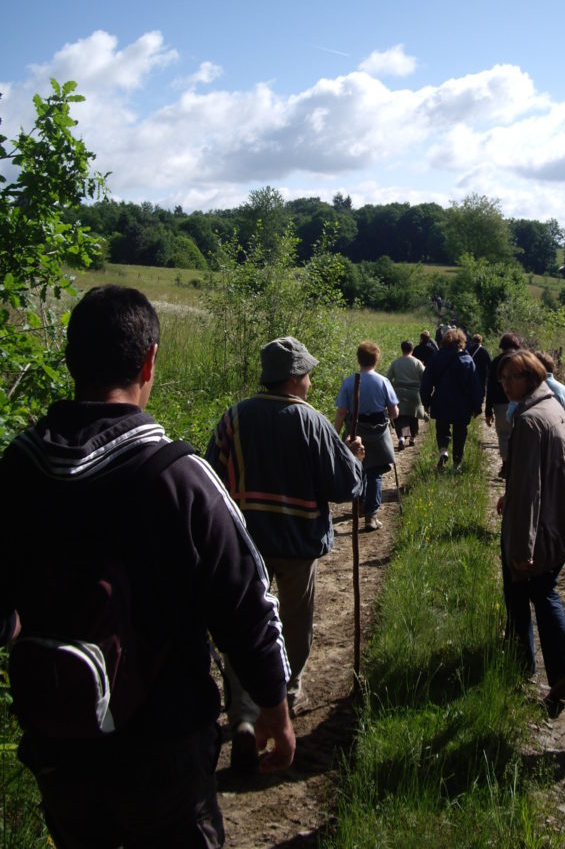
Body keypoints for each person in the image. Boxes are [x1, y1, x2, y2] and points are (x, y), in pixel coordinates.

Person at [0, 285, 295, 849]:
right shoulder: (177, 476)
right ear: (150, 360)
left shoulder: (19, 468)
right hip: (163, 748)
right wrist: (274, 710)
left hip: (58, 743)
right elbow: (247, 607)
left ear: (70, 359)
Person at [207, 336, 365, 765]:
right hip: (297, 543)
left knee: (245, 627)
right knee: (295, 623)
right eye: (308, 374)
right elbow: (345, 486)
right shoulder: (312, 422)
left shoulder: (233, 418)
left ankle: (243, 713)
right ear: (295, 378)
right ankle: (284, 694)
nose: (311, 381)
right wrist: (352, 457)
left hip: (245, 543)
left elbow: (212, 480)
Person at [496, 350, 565, 716]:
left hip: (540, 524)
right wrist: (509, 492)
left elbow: (532, 488)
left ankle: (554, 670)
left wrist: (523, 545)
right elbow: (538, 474)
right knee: (531, 591)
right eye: (502, 379)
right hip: (557, 519)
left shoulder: (530, 420)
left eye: (510, 378)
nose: (504, 385)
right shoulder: (552, 406)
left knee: (533, 590)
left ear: (529, 378)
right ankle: (527, 668)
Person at [334, 342, 398, 531]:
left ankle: (360, 505)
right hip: (378, 434)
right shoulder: (383, 381)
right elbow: (394, 413)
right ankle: (371, 516)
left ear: (358, 359)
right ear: (377, 359)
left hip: (356, 432)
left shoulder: (349, 382)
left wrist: (335, 434)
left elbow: (342, 412)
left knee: (358, 470)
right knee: (375, 473)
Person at [420, 327, 483, 472]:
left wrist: (426, 401)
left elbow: (427, 381)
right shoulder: (467, 360)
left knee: (442, 428)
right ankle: (456, 463)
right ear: (462, 342)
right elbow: (475, 386)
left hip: (441, 400)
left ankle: (443, 450)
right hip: (462, 404)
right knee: (460, 432)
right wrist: (477, 406)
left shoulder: (436, 358)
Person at [485, 332, 523, 478]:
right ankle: (517, 465)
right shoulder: (522, 361)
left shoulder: (496, 362)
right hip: (520, 403)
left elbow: (491, 387)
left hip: (500, 404)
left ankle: (506, 464)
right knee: (519, 435)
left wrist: (488, 411)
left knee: (503, 434)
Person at [386, 340, 426, 449]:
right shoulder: (418, 363)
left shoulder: (395, 363)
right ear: (412, 350)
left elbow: (388, 379)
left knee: (400, 416)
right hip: (415, 394)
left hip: (399, 393)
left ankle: (401, 438)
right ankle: (413, 437)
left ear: (402, 349)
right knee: (413, 416)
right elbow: (425, 378)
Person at [468, 333, 492, 397]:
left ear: (473, 341)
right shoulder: (484, 350)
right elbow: (489, 363)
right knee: (481, 389)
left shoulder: (469, 350)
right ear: (481, 341)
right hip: (482, 373)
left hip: (472, 373)